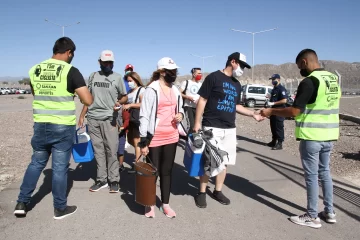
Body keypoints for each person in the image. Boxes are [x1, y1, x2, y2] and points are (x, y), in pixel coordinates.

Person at [14, 37, 93, 219]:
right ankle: (59, 208)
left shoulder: (36, 69)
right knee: (59, 168)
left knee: (36, 163)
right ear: (69, 52)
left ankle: (21, 202)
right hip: (62, 126)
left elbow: (36, 93)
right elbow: (88, 99)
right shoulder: (70, 71)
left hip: (40, 125)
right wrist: (73, 93)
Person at [260, 49, 341, 229]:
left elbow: (296, 111)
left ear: (304, 62)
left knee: (312, 176)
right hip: (330, 135)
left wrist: (271, 111)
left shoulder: (310, 81)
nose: (300, 71)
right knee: (325, 173)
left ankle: (312, 216)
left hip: (313, 136)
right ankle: (330, 211)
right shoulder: (332, 79)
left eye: (299, 67)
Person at [193, 52, 264, 208]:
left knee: (224, 162)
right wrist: (197, 122)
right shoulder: (213, 77)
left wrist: (253, 114)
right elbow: (202, 100)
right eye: (242, 66)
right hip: (212, 126)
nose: (243, 70)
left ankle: (218, 191)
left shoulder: (237, 84)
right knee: (209, 161)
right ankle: (202, 192)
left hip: (230, 128)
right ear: (233, 62)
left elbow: (236, 105)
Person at [138, 57, 184, 218]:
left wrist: (181, 115)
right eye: (171, 71)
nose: (174, 74)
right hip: (154, 137)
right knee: (152, 172)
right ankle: (149, 204)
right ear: (162, 72)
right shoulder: (152, 89)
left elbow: (180, 108)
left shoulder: (175, 89)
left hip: (172, 135)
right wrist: (143, 141)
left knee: (167, 171)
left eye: (175, 71)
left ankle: (165, 204)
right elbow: (144, 115)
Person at [78, 50, 128, 193]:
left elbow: (124, 97)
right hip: (93, 119)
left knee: (111, 150)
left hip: (109, 119)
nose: (108, 65)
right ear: (99, 62)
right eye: (105, 62)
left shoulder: (117, 78)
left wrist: (119, 102)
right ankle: (101, 180)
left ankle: (114, 180)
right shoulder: (93, 76)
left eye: (110, 62)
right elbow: (88, 98)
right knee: (98, 151)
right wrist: (82, 116)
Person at [123, 72, 145, 163]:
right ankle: (141, 152)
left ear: (136, 80)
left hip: (137, 118)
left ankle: (138, 163)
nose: (129, 83)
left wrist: (131, 105)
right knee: (131, 139)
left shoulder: (141, 90)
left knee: (136, 141)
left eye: (130, 81)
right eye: (127, 81)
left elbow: (143, 104)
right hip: (130, 118)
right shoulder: (129, 92)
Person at [266, 74, 288, 150]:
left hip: (280, 111)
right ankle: (273, 141)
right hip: (273, 111)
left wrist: (273, 103)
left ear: (278, 80)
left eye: (273, 79)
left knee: (279, 127)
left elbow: (284, 100)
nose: (272, 81)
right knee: (273, 126)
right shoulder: (274, 89)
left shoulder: (281, 89)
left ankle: (280, 143)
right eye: (272, 79)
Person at [179, 67, 202, 135]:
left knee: (196, 126)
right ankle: (188, 142)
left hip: (197, 108)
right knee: (191, 126)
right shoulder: (186, 82)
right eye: (199, 73)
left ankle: (194, 142)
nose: (200, 75)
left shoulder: (200, 84)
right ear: (194, 74)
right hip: (188, 107)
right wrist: (187, 97)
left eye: (201, 73)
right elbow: (179, 93)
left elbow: (202, 96)